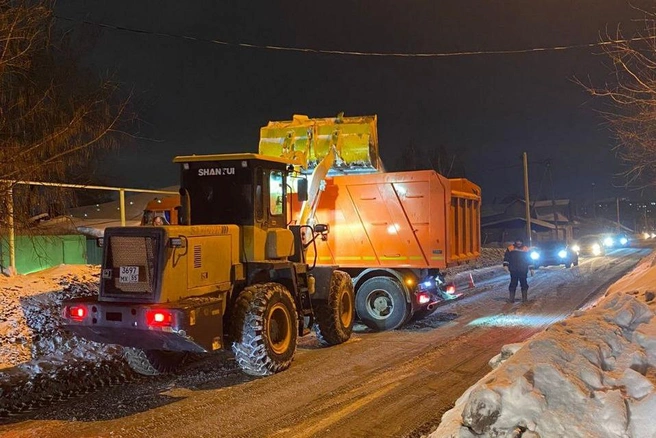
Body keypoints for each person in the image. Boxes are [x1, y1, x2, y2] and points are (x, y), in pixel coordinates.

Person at [503, 238, 534, 303]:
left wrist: (531, 269)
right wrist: (505, 265)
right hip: (514, 270)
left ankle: (524, 298)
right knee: (513, 284)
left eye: (520, 241)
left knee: (524, 284)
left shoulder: (526, 249)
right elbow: (506, 257)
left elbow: (529, 259)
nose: (519, 243)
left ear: (522, 242)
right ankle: (511, 299)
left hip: (523, 270)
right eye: (517, 241)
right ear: (515, 242)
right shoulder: (510, 248)